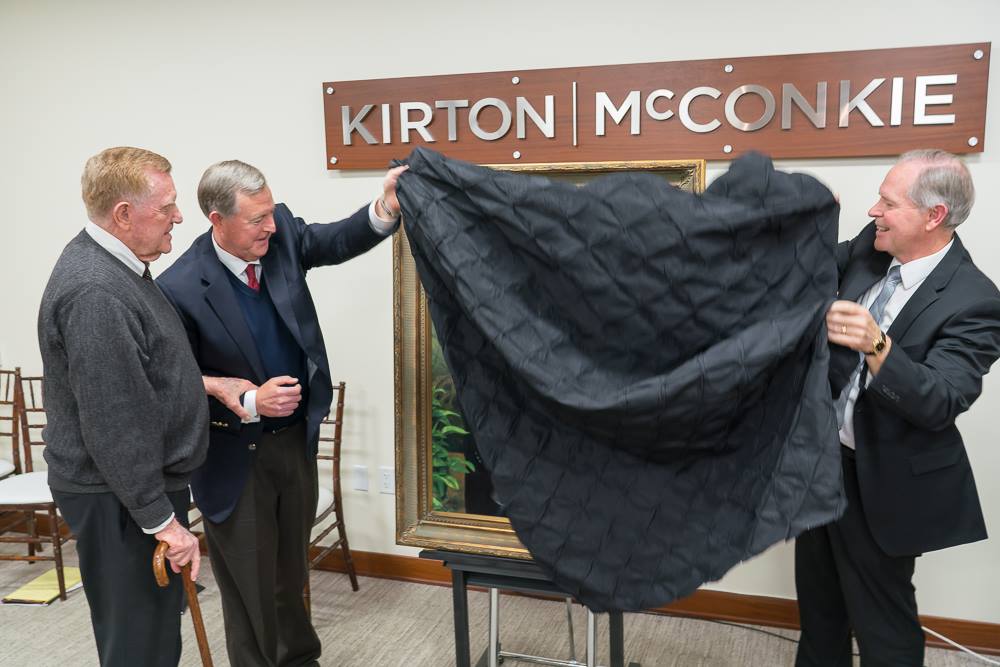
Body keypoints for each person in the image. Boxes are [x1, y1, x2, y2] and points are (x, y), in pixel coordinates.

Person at [157, 159, 406, 666]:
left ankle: (300, 659)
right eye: (257, 219)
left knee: (290, 574)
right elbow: (173, 382)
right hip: (231, 458)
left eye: (271, 214)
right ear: (217, 219)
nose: (271, 227)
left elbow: (337, 240)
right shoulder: (179, 288)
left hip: (293, 443)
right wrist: (250, 400)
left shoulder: (281, 233)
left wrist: (385, 207)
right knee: (250, 585)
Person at [795, 149, 1000, 665]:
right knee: (820, 614)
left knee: (883, 627)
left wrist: (877, 345)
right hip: (824, 468)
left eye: (888, 203)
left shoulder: (975, 299)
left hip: (885, 484)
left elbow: (941, 400)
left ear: (934, 216)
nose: (872, 212)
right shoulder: (873, 246)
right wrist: (811, 221)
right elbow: (810, 270)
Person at [38, 147, 207, 666]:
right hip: (120, 494)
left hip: (131, 489)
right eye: (167, 207)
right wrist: (163, 522)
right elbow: (114, 422)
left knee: (155, 629)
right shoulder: (96, 291)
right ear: (124, 215)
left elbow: (142, 375)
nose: (179, 216)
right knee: (139, 643)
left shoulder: (120, 266)